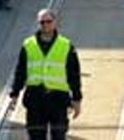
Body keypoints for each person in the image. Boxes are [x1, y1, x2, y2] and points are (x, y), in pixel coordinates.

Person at [5, 9, 82, 140]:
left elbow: (73, 74)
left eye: (48, 22)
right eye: (42, 22)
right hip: (35, 98)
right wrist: (15, 93)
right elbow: (21, 71)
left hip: (58, 99)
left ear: (55, 22)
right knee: (35, 136)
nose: (45, 25)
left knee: (58, 135)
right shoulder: (28, 44)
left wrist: (76, 98)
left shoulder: (66, 45)